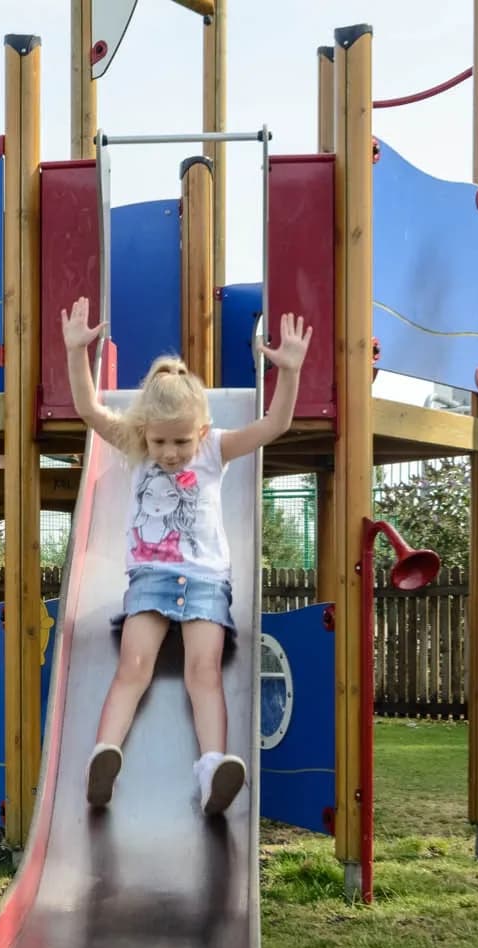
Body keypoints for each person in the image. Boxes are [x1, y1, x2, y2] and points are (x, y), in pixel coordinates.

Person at [61, 296, 313, 816]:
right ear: (144, 435)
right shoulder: (134, 445)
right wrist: (75, 352)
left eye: (179, 441)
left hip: (205, 581)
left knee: (205, 672)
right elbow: (88, 409)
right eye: (160, 442)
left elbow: (273, 427)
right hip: (149, 578)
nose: (170, 453)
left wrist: (287, 373)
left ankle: (211, 769)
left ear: (199, 431)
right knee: (133, 665)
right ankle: (102, 757)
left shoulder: (214, 448)